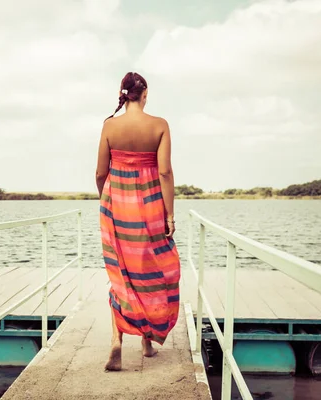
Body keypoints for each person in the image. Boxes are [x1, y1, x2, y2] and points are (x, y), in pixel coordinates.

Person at [96, 72, 181, 371]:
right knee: (154, 272)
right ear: (144, 94)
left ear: (124, 94)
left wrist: (105, 202)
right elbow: (165, 173)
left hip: (115, 208)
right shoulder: (159, 126)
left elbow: (99, 173)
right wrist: (169, 213)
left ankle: (116, 341)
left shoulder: (109, 126)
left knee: (120, 276)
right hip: (149, 207)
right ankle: (146, 341)